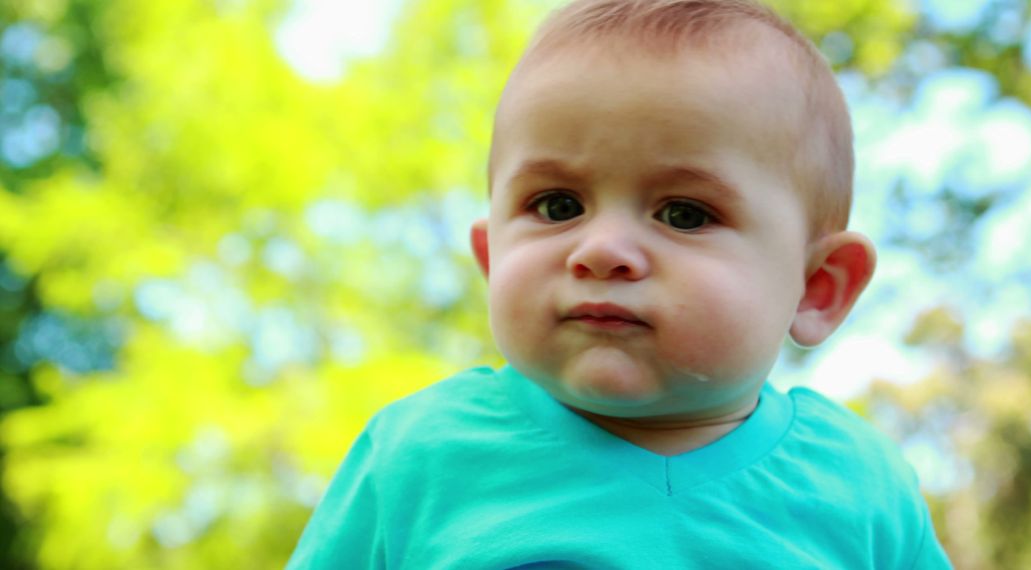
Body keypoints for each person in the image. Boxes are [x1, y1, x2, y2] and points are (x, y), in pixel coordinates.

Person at [288, 0, 953, 567]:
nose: (601, 250)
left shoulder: (860, 488)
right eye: (557, 206)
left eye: (684, 214)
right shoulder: (419, 457)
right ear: (492, 260)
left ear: (817, 287)